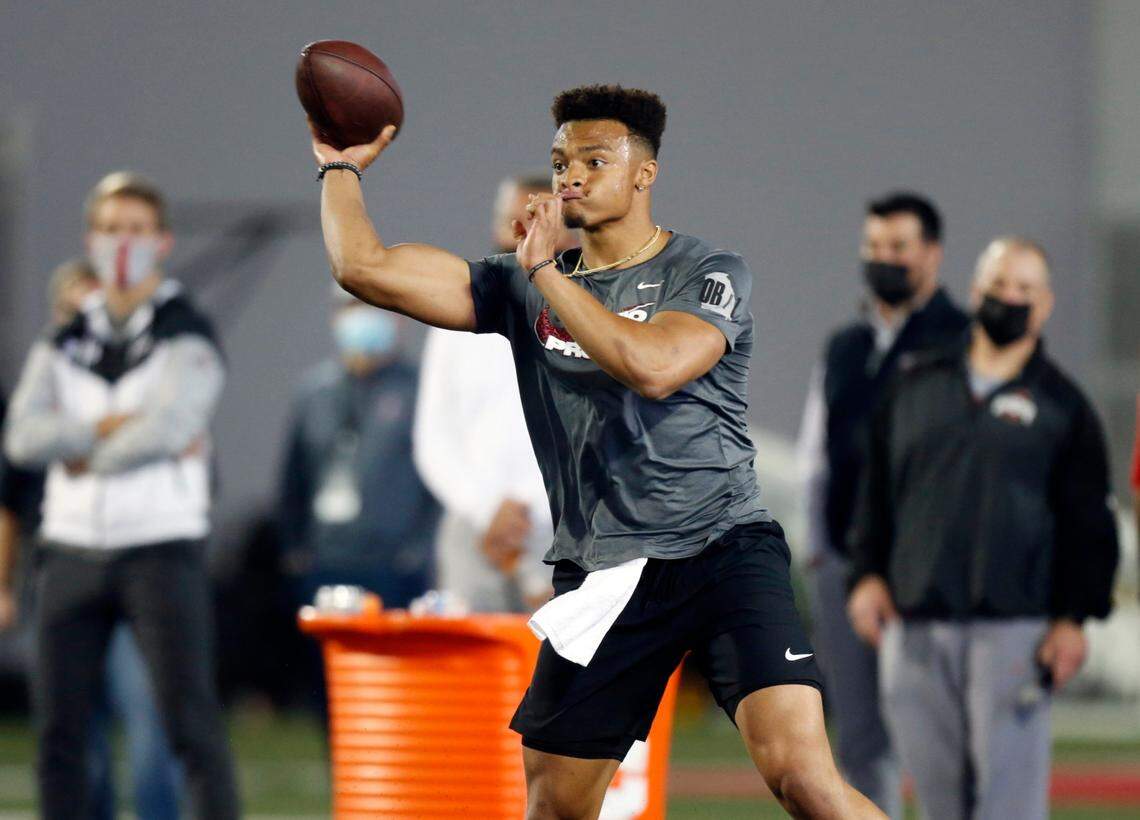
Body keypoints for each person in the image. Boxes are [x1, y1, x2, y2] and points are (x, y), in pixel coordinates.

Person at [307, 84, 884, 819]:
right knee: (555, 807)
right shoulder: (521, 283)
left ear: (644, 174)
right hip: (605, 570)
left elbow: (651, 364)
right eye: (558, 161)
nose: (568, 176)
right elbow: (365, 268)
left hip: (724, 550)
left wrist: (547, 274)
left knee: (803, 777)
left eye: (593, 159)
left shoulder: (707, 271)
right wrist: (340, 168)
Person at [846, 237, 1120, 819]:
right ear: (975, 292)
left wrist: (1074, 618)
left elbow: (1088, 524)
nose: (1009, 299)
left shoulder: (1062, 405)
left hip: (1014, 629)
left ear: (1044, 305)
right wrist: (867, 574)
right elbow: (875, 491)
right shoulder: (915, 384)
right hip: (915, 624)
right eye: (999, 286)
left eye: (1024, 290)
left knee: (1008, 805)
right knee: (942, 804)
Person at [3, 172, 239, 820]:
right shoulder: (66, 337)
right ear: (91, 238)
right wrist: (97, 430)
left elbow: (171, 427)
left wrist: (80, 453)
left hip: (159, 547)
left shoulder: (185, 328)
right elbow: (22, 438)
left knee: (187, 723)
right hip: (72, 548)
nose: (122, 243)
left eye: (135, 230)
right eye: (110, 230)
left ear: (162, 241)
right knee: (59, 733)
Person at [796, 192, 969, 816]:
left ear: (932, 254)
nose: (884, 259)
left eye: (898, 248)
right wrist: (818, 551)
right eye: (874, 248)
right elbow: (818, 454)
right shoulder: (846, 345)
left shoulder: (963, 341)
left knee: (940, 738)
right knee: (862, 740)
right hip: (845, 564)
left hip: (927, 573)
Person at [1, 258, 183, 820]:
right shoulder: (37, 403)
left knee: (152, 723)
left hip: (140, 577)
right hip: (61, 577)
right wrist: (4, 585)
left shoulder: (148, 385)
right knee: (77, 736)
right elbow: (9, 502)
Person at [413, 173, 576, 613]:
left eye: (533, 221)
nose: (517, 232)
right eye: (509, 220)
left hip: (561, 523)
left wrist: (531, 509)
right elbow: (433, 438)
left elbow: (595, 432)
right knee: (467, 672)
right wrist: (488, 509)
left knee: (557, 671)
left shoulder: (590, 314)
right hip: (472, 527)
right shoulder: (454, 309)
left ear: (561, 228)